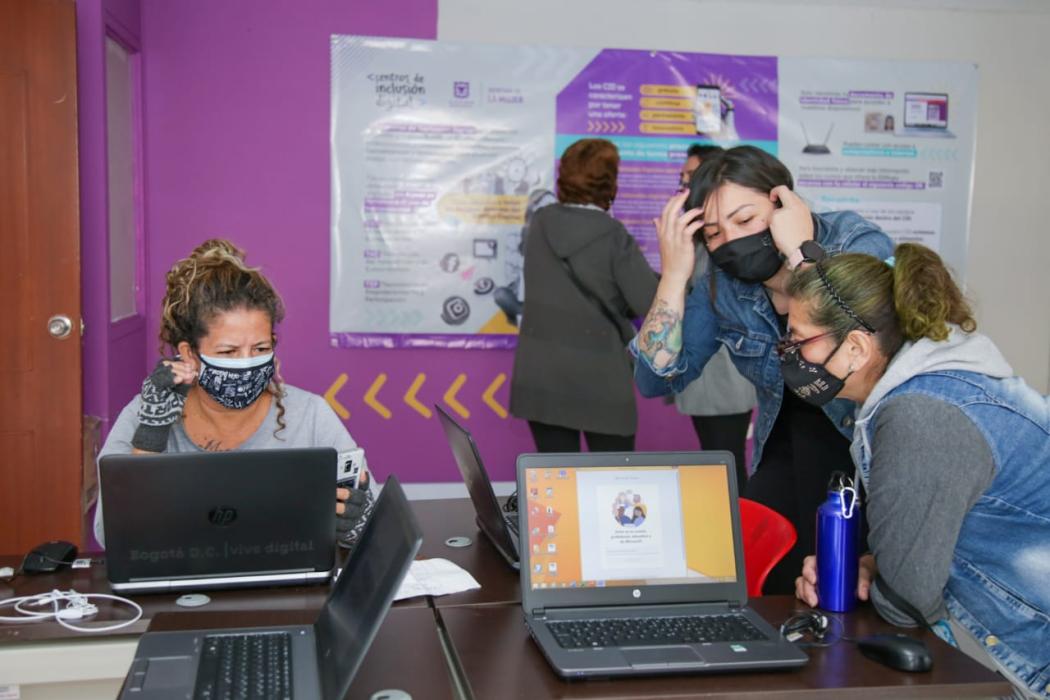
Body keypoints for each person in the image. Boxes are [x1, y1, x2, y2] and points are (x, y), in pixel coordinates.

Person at [787, 245, 1049, 698]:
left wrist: (875, 577)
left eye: (799, 340)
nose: (789, 353)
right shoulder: (939, 380)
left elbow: (908, 599)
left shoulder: (920, 417)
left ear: (856, 347)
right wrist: (869, 566)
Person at [632, 146, 893, 593]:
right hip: (786, 447)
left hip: (863, 448)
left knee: (855, 595)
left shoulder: (853, 241)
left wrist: (799, 252)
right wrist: (675, 276)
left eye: (745, 219)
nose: (730, 241)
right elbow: (655, 378)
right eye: (713, 232)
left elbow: (860, 343)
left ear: (782, 203)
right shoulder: (722, 282)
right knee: (763, 585)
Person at [93, 240, 367, 547]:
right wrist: (151, 436)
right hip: (179, 584)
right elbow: (110, 536)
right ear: (190, 353)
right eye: (228, 351)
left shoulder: (311, 414)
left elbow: (367, 522)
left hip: (286, 584)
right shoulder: (145, 411)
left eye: (261, 348)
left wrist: (354, 522)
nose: (247, 363)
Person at [510, 138, 658, 452]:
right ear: (609, 181)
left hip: (541, 375)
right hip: (600, 376)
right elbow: (649, 302)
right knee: (611, 482)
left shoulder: (541, 222)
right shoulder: (613, 235)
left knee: (556, 482)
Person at [673, 143, 757, 485]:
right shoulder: (695, 237)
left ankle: (740, 534)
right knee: (716, 461)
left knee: (728, 465)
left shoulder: (728, 240)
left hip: (726, 376)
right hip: (703, 376)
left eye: (691, 176)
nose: (683, 183)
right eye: (682, 176)